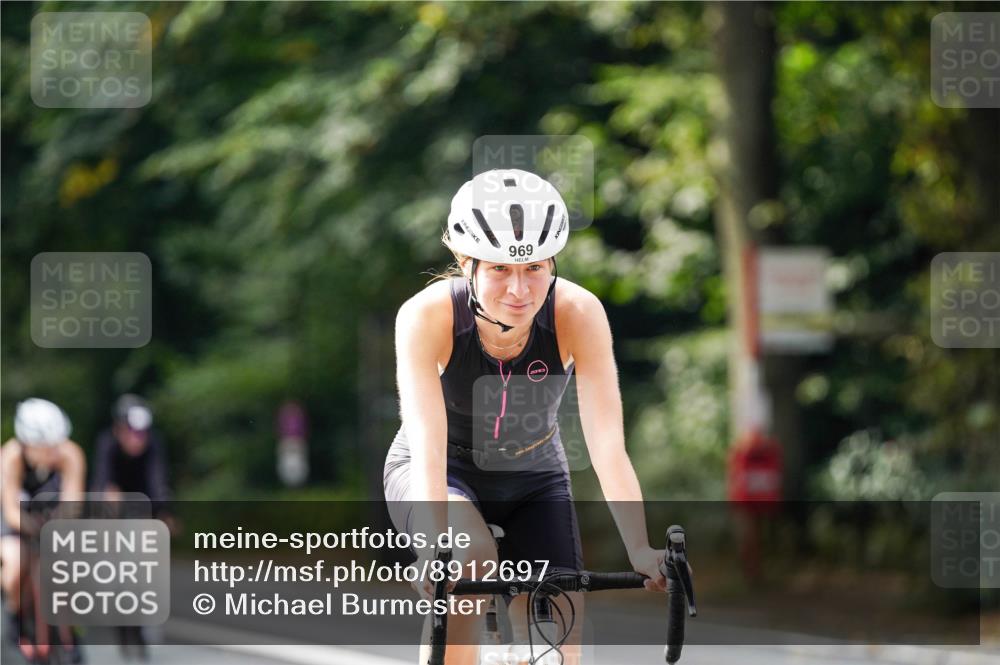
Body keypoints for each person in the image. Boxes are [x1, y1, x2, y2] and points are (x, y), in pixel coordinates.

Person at [384, 169, 667, 665]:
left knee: (563, 635)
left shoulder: (578, 312)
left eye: (535, 268)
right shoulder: (425, 316)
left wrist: (641, 550)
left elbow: (606, 445)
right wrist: (434, 543)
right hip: (440, 468)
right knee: (469, 557)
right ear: (466, 263)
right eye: (498, 269)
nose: (519, 289)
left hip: (533, 471)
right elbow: (428, 439)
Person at [1, 398, 86, 653]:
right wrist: (32, 529)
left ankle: (71, 631)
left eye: (56, 445)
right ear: (28, 444)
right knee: (15, 566)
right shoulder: (10, 457)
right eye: (46, 447)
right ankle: (15, 623)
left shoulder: (70, 455)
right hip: (15, 520)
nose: (53, 452)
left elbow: (73, 504)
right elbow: (10, 511)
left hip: (51, 518)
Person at [91, 394, 172, 520]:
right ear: (117, 429)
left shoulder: (154, 444)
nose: (137, 439)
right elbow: (100, 482)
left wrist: (160, 512)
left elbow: (158, 487)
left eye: (141, 432)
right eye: (130, 431)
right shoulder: (107, 443)